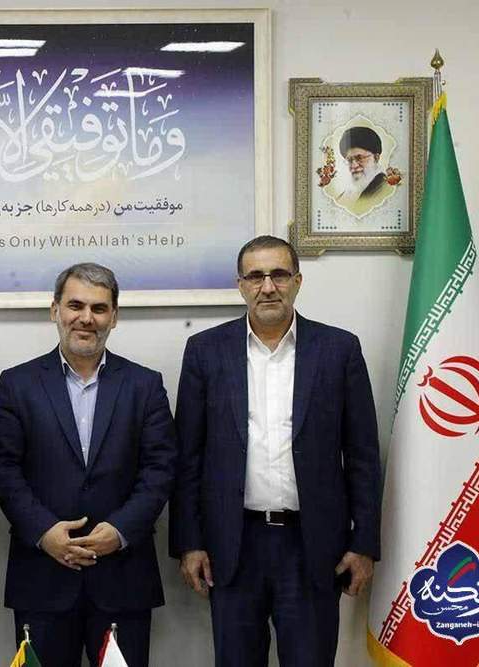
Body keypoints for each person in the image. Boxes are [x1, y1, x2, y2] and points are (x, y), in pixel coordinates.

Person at [169, 236, 382, 666]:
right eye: (255, 276)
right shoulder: (206, 351)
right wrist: (189, 543)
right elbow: (187, 456)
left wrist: (364, 544)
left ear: (297, 282)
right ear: (240, 285)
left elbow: (362, 455)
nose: (268, 287)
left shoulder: (339, 350)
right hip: (233, 545)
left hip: (312, 546)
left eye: (279, 275)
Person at [0, 263, 177, 667]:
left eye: (99, 308)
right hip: (42, 578)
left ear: (114, 316)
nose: (86, 318)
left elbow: (160, 470)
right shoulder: (17, 384)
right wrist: (44, 532)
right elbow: (3, 468)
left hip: (123, 578)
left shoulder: (145, 385)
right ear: (54, 310)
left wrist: (120, 531)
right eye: (75, 305)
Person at [336, 126, 394, 216]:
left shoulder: (385, 188)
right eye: (349, 160)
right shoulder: (344, 196)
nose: (354, 165)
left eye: (359, 158)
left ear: (376, 158)